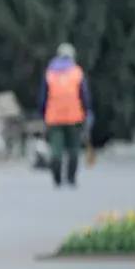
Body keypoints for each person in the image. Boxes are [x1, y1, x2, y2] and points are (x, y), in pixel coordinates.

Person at [39, 42, 93, 188]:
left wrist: (43, 114)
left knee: (56, 149)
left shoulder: (50, 73)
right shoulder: (77, 72)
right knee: (73, 149)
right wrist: (87, 112)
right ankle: (71, 178)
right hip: (74, 117)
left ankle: (57, 177)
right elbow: (84, 96)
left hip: (54, 118)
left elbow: (43, 97)